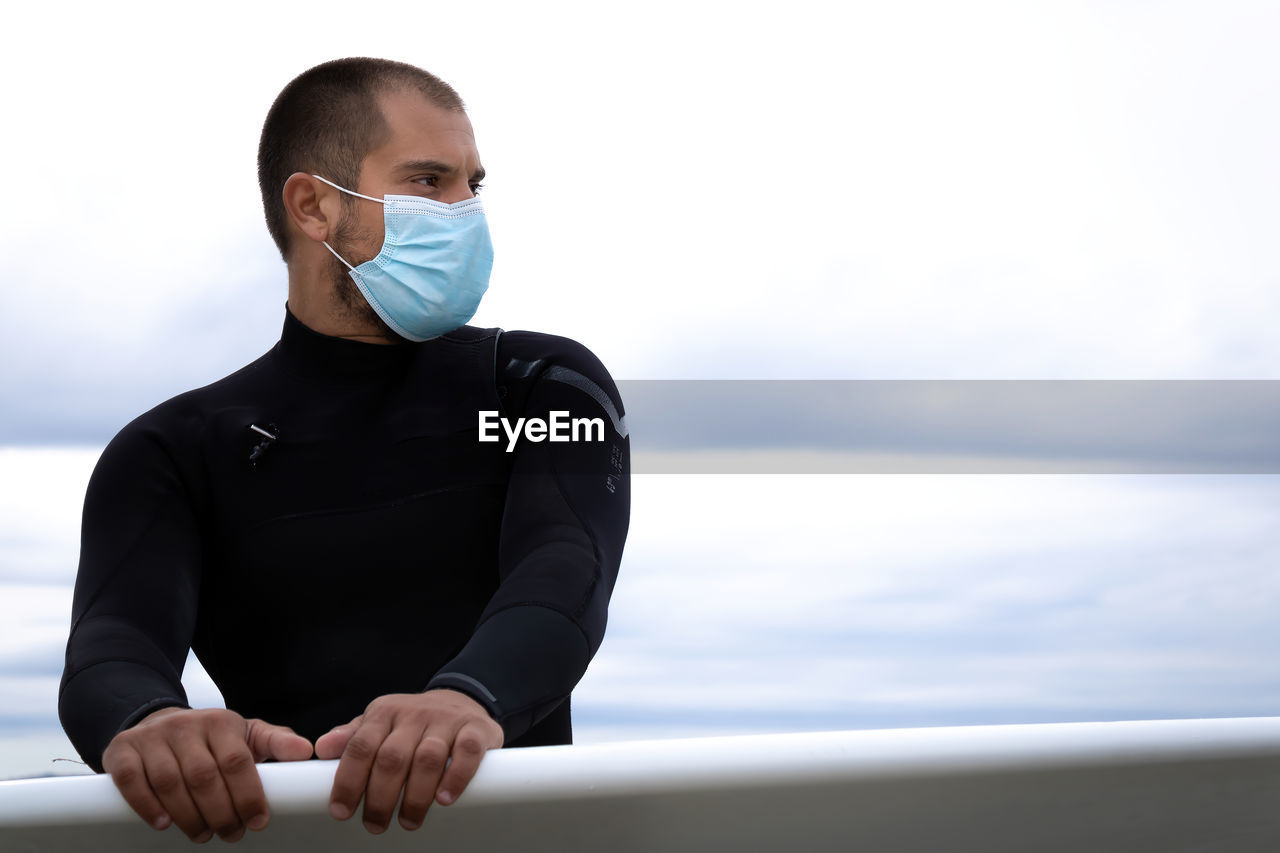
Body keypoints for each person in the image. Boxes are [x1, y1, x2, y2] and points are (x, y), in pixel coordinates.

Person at [57, 57, 630, 843]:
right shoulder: (169, 450)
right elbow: (110, 646)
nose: (465, 211)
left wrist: (466, 698)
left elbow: (566, 570)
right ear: (314, 205)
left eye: (475, 184)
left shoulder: (540, 384)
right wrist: (151, 719)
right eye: (430, 181)